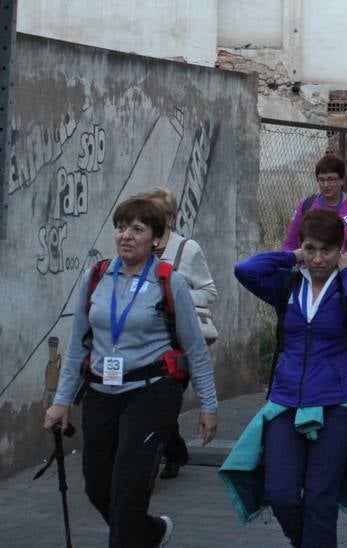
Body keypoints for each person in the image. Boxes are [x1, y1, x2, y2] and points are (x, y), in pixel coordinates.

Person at [44, 196, 218, 548]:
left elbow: (195, 349)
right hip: (102, 391)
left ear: (156, 239)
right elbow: (79, 343)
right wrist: (61, 401)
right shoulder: (96, 278)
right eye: (121, 227)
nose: (126, 235)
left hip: (152, 390)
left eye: (137, 229)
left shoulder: (171, 283)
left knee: (129, 486)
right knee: (97, 485)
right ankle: (150, 532)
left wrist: (209, 405)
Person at [232, 209, 347, 546]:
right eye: (311, 249)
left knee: (320, 497)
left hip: (338, 404)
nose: (318, 259)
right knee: (281, 492)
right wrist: (291, 256)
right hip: (286, 400)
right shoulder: (288, 284)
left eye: (327, 251)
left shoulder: (346, 287)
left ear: (340, 249)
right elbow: (245, 270)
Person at [133, 186, 219, 482]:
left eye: (157, 213)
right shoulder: (137, 247)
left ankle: (155, 460)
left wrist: (176, 295)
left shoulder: (187, 249)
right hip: (143, 341)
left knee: (161, 403)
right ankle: (175, 450)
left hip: (178, 344)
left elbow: (210, 292)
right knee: (151, 404)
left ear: (171, 217)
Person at [284, 154, 347, 280]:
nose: (326, 184)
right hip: (311, 277)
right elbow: (290, 243)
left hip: (346, 278)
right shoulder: (306, 205)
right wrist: (285, 271)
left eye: (332, 179)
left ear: (342, 180)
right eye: (321, 180)